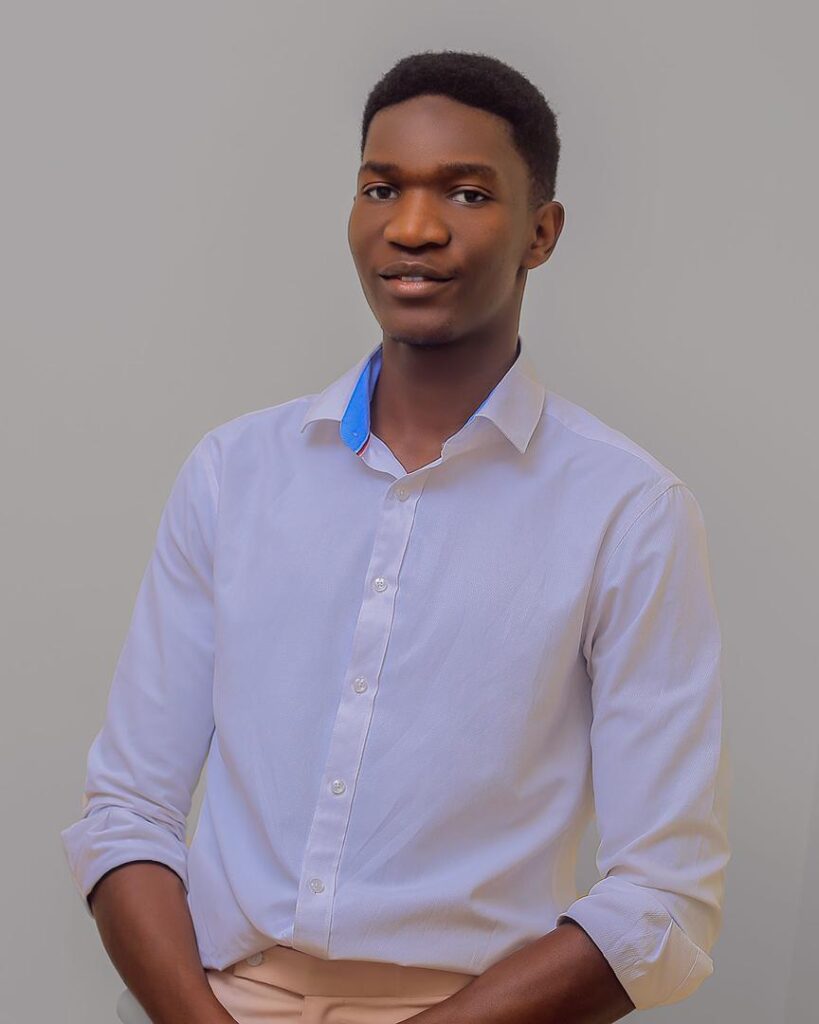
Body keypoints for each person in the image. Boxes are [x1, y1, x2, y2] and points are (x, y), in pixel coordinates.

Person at [60, 49, 730, 1024]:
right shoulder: (233, 473)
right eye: (382, 188)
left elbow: (662, 900)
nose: (412, 227)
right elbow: (127, 813)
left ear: (541, 233)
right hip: (213, 1004)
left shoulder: (629, 511)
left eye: (466, 193)